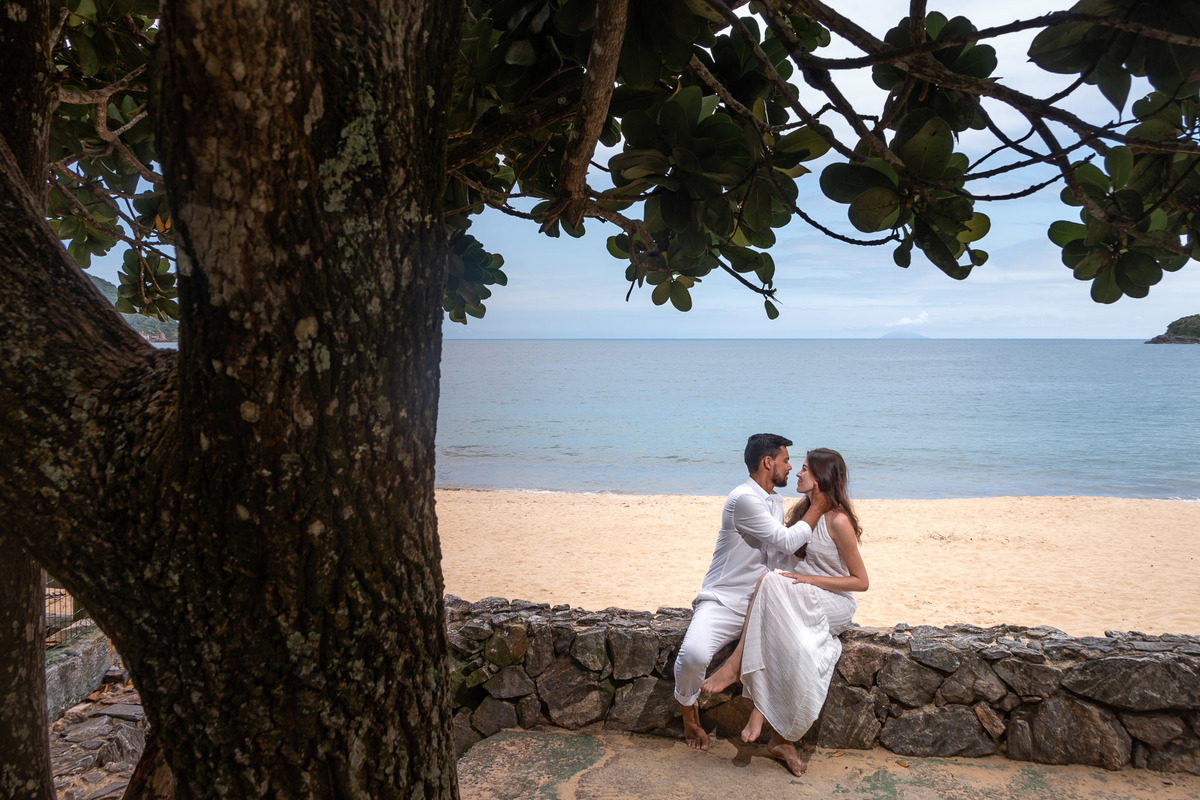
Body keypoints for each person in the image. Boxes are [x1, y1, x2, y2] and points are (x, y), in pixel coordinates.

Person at [700, 448, 869, 777]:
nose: (797, 473)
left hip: (833, 602)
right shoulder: (799, 513)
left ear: (820, 480)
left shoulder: (838, 520)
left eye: (804, 469)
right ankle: (780, 739)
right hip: (800, 596)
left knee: (771, 584)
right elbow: (782, 559)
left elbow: (860, 581)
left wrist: (809, 579)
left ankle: (738, 671)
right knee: (795, 644)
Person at [674, 434, 831, 752]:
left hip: (762, 602)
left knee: (801, 649)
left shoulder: (774, 500)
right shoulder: (743, 498)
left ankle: (779, 737)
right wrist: (817, 508)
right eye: (786, 461)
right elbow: (786, 542)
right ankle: (690, 716)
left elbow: (780, 556)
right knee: (693, 656)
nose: (790, 468)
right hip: (724, 601)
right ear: (768, 462)